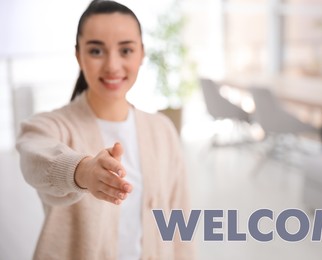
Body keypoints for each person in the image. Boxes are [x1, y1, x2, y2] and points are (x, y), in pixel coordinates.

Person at [16, 0, 194, 259]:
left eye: (126, 50)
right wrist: (82, 171)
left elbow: (179, 219)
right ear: (79, 55)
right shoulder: (51, 125)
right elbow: (34, 159)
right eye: (97, 51)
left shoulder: (162, 130)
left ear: (142, 54)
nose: (112, 65)